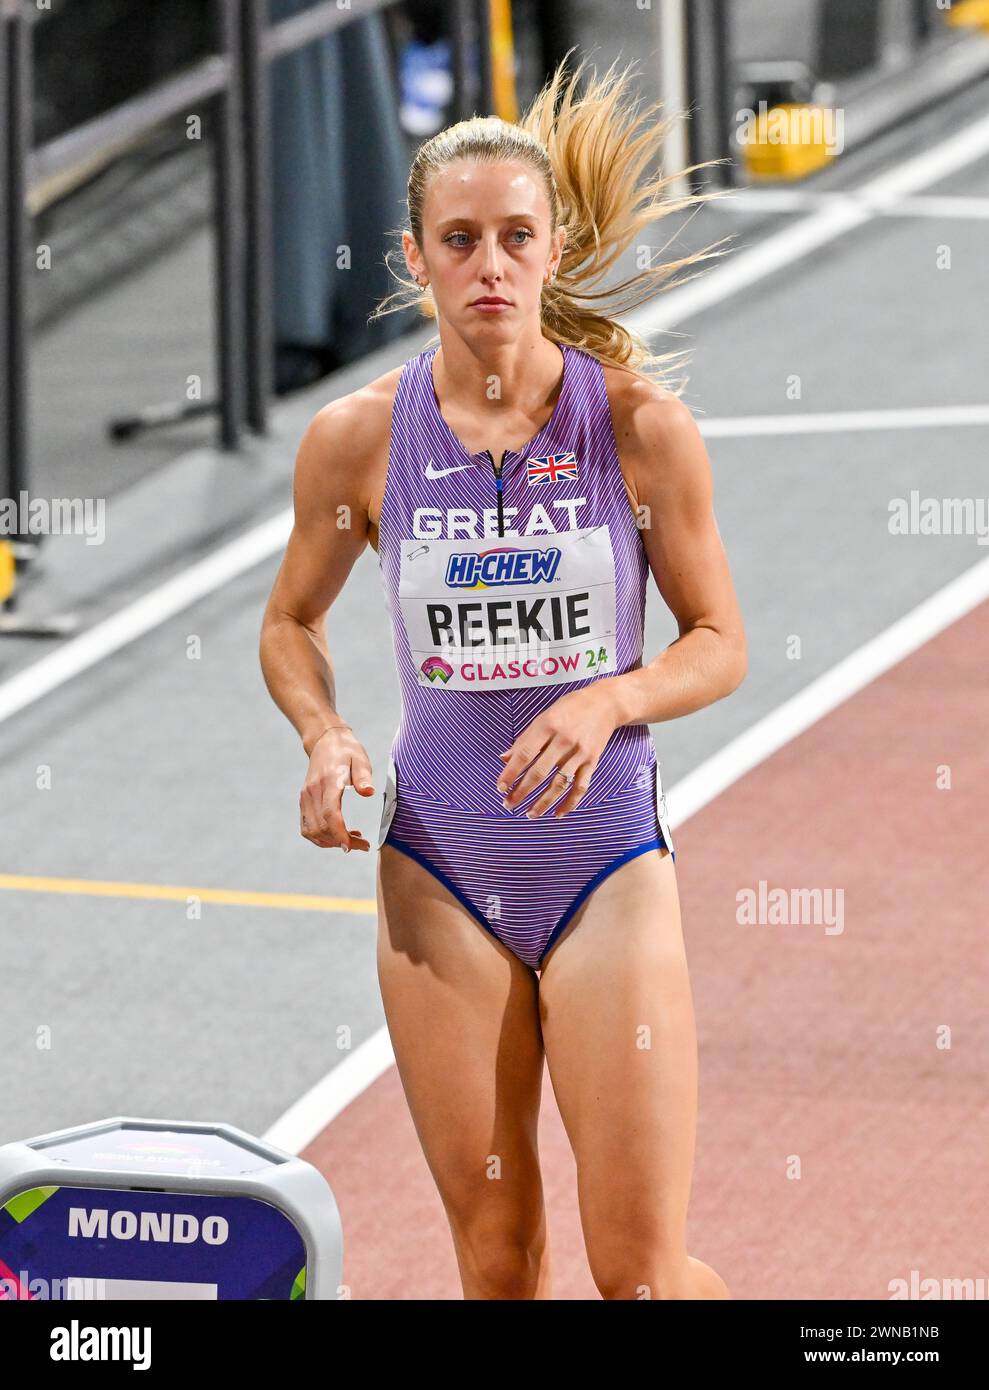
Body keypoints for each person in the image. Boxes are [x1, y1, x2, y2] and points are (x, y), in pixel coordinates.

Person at [260, 53, 746, 1300]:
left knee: (635, 1276)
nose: (489, 266)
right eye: (459, 239)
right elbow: (289, 624)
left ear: (552, 248)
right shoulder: (358, 441)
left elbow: (716, 640)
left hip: (601, 868)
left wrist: (606, 696)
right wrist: (321, 734)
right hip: (437, 866)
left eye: (513, 238)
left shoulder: (635, 430)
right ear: (413, 258)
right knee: (496, 1264)